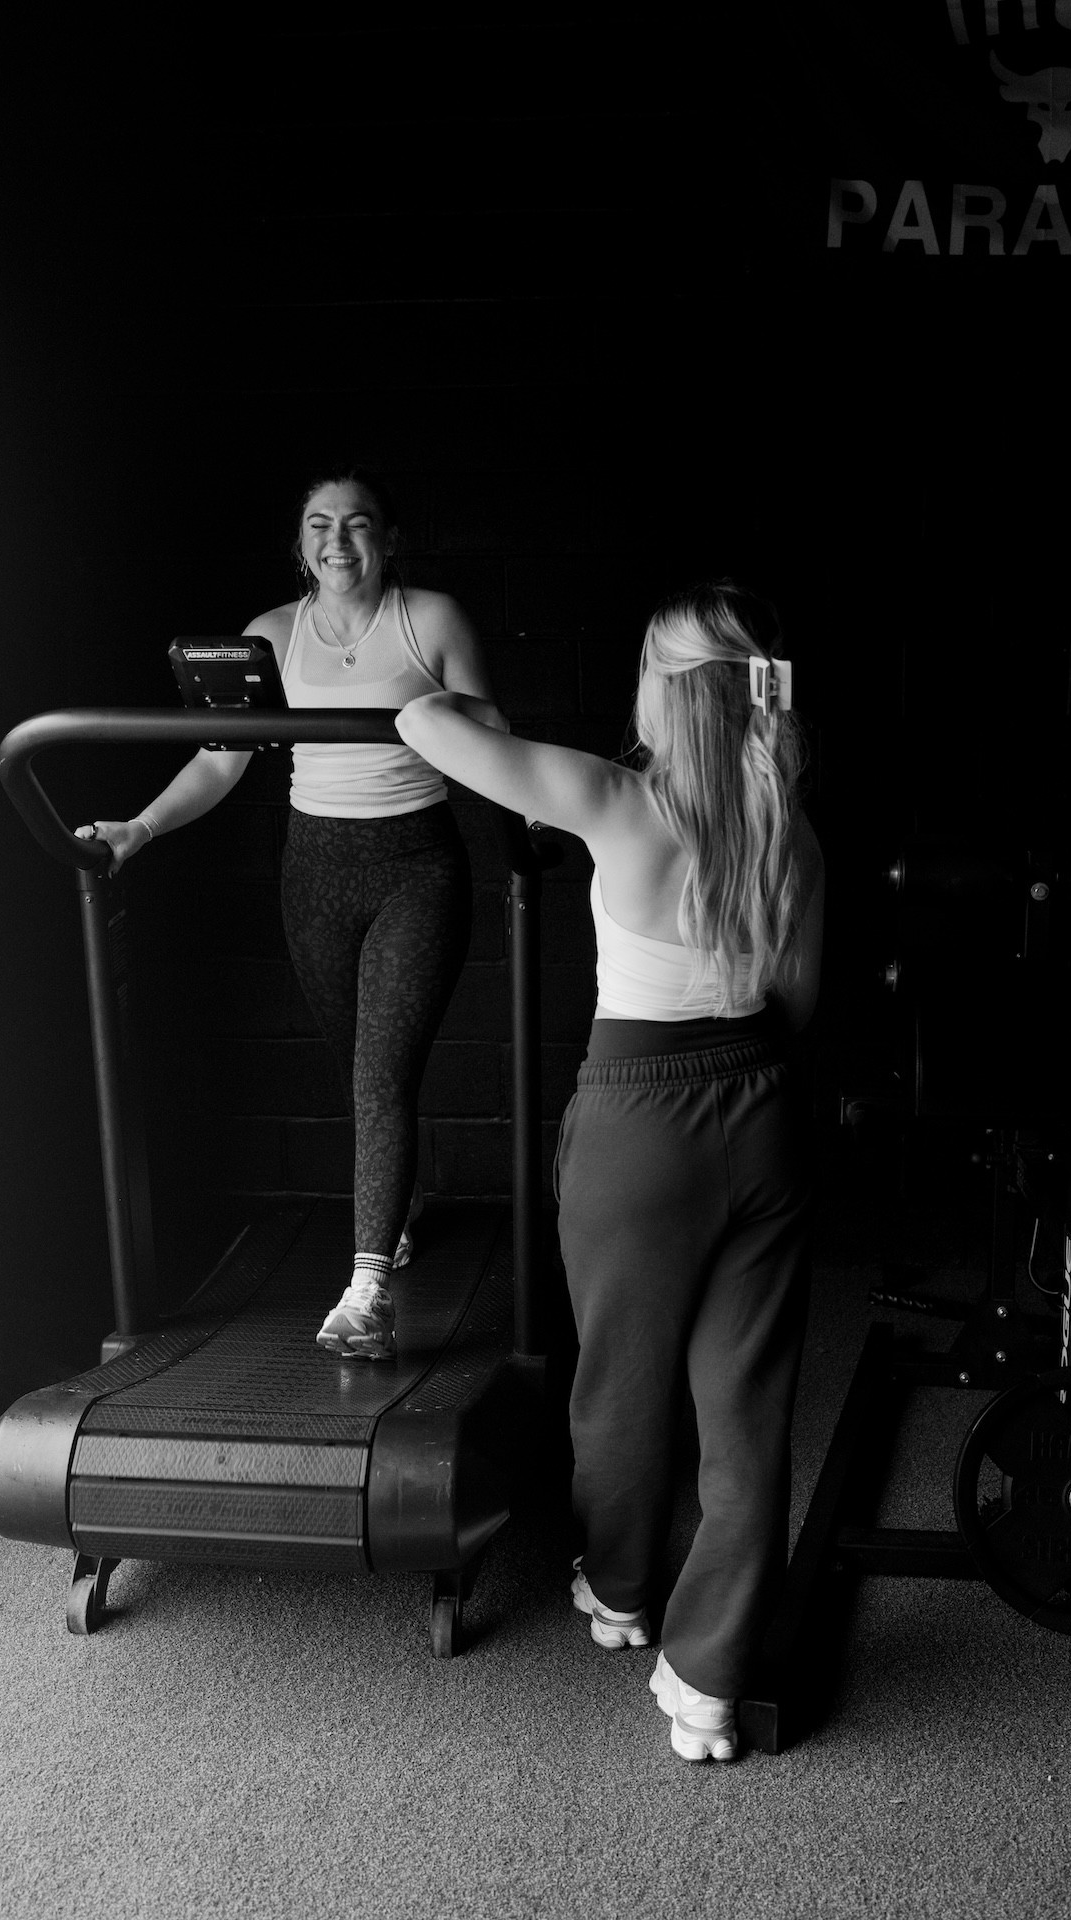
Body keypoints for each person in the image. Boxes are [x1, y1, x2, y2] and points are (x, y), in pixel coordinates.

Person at [396, 581, 823, 1764]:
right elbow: (797, 1007)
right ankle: (707, 1683)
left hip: (639, 1125)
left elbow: (419, 725)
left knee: (621, 1386)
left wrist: (464, 696)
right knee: (746, 1414)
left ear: (662, 693)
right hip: (764, 1113)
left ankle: (624, 1593)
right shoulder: (792, 832)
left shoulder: (611, 797)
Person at [77, 467, 506, 1360]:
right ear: (301, 543)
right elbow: (219, 762)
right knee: (359, 1068)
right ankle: (398, 1209)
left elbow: (493, 742)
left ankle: (367, 1294)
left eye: (357, 523)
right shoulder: (271, 634)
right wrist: (138, 830)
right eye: (319, 525)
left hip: (415, 868)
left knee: (380, 1077)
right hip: (314, 871)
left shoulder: (432, 620)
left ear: (389, 538)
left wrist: (542, 818)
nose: (337, 541)